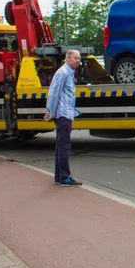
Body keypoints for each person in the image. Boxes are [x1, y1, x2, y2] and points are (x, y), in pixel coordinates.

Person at [45, 50, 82, 187]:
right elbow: (54, 94)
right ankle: (65, 178)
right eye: (75, 58)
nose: (78, 61)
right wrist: (52, 113)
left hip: (65, 113)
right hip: (62, 115)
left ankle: (59, 176)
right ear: (67, 59)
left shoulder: (68, 73)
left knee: (61, 146)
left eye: (79, 58)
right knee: (64, 146)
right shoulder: (63, 73)